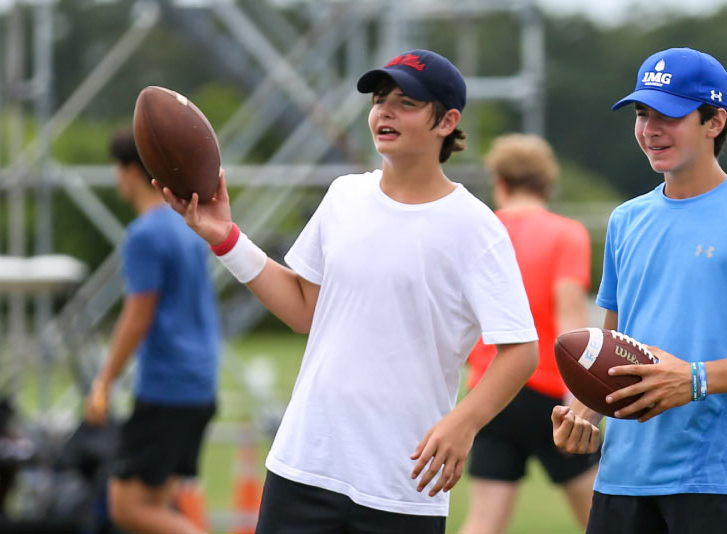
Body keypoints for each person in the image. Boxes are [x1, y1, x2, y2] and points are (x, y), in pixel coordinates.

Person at [157, 49, 538, 533]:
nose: (385, 112)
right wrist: (226, 239)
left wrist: (464, 423)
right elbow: (303, 311)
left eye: (406, 102)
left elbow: (520, 350)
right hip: (303, 464)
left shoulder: (476, 228)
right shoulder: (344, 196)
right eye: (380, 100)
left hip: (403, 483)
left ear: (447, 122)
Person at [549, 47, 727, 534]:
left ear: (714, 121)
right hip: (620, 480)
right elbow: (614, 340)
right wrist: (583, 412)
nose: (650, 129)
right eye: (642, 114)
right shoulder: (625, 220)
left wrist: (693, 379)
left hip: (713, 483)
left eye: (668, 115)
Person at [85, 128, 220, 534]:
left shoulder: (144, 235)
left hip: (167, 388)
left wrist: (104, 382)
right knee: (157, 505)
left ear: (129, 171)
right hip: (198, 384)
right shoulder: (186, 227)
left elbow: (138, 315)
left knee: (125, 507)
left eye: (116, 168)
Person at [460, 134, 598, 533]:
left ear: (500, 182)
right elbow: (569, 310)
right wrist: (581, 393)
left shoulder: (483, 230)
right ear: (546, 183)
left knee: (484, 521)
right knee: (600, 517)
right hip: (549, 389)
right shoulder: (565, 233)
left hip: (490, 389)